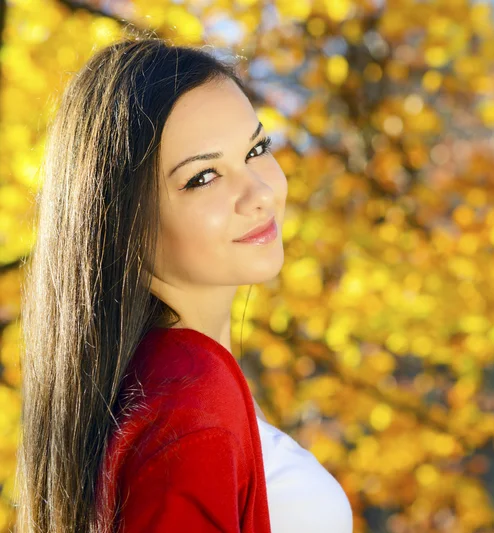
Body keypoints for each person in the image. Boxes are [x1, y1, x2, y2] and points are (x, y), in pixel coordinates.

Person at [16, 35, 353, 533]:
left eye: (257, 148)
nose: (259, 193)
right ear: (124, 223)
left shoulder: (149, 386)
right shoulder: (191, 393)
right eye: (204, 177)